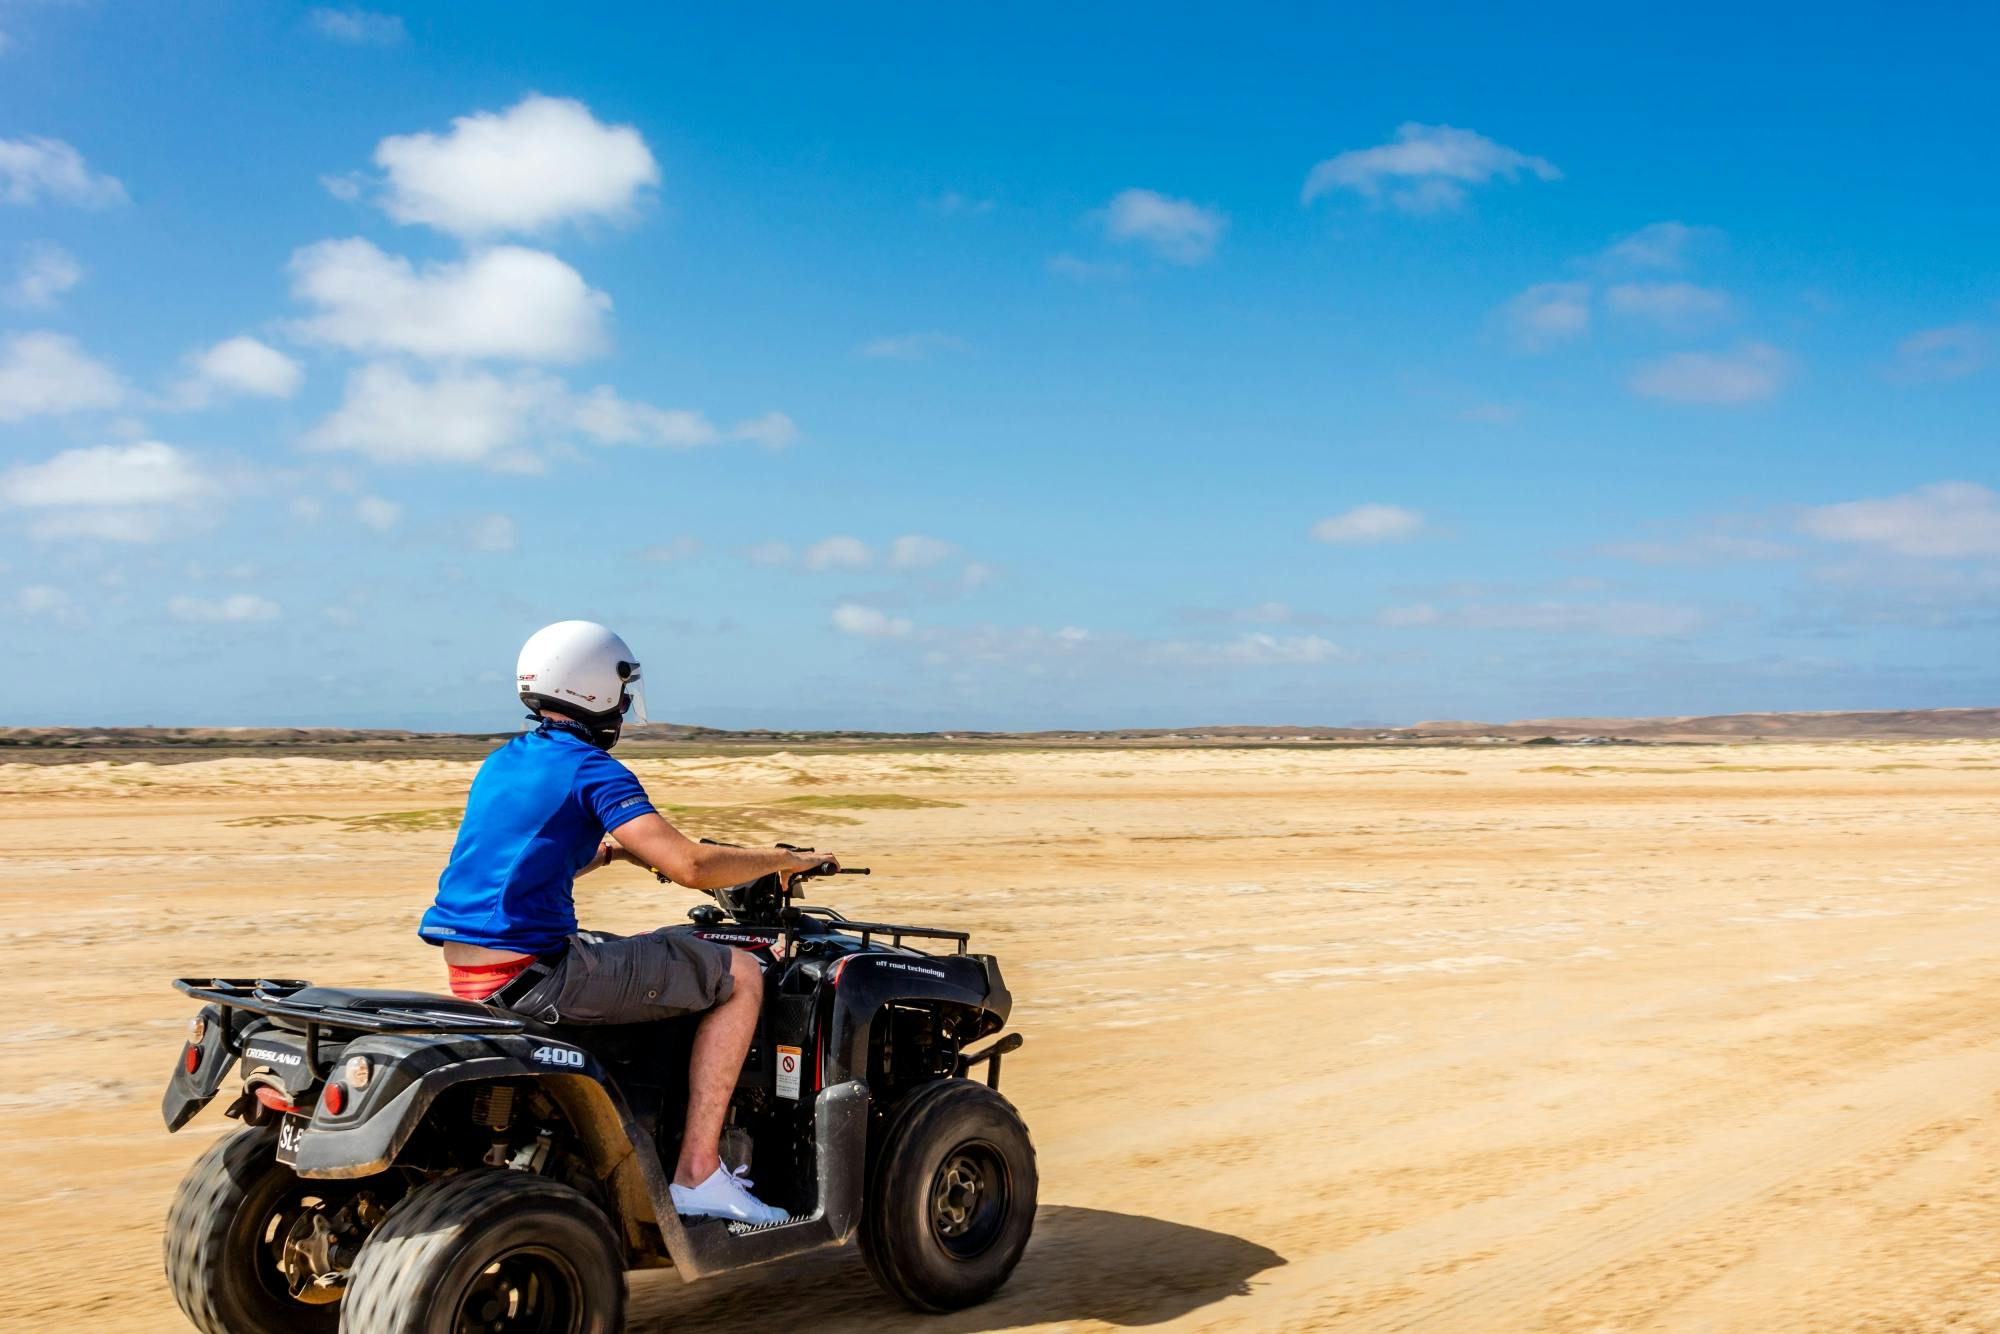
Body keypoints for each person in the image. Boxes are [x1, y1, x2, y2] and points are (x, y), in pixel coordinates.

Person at [418, 620, 834, 1226]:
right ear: (596, 689)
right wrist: (785, 860)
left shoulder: (506, 761)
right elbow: (690, 864)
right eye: (621, 687)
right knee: (739, 972)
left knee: (665, 948)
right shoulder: (593, 769)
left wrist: (612, 853)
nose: (623, 702)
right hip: (539, 973)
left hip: (475, 969)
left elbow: (523, 863)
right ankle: (699, 1173)